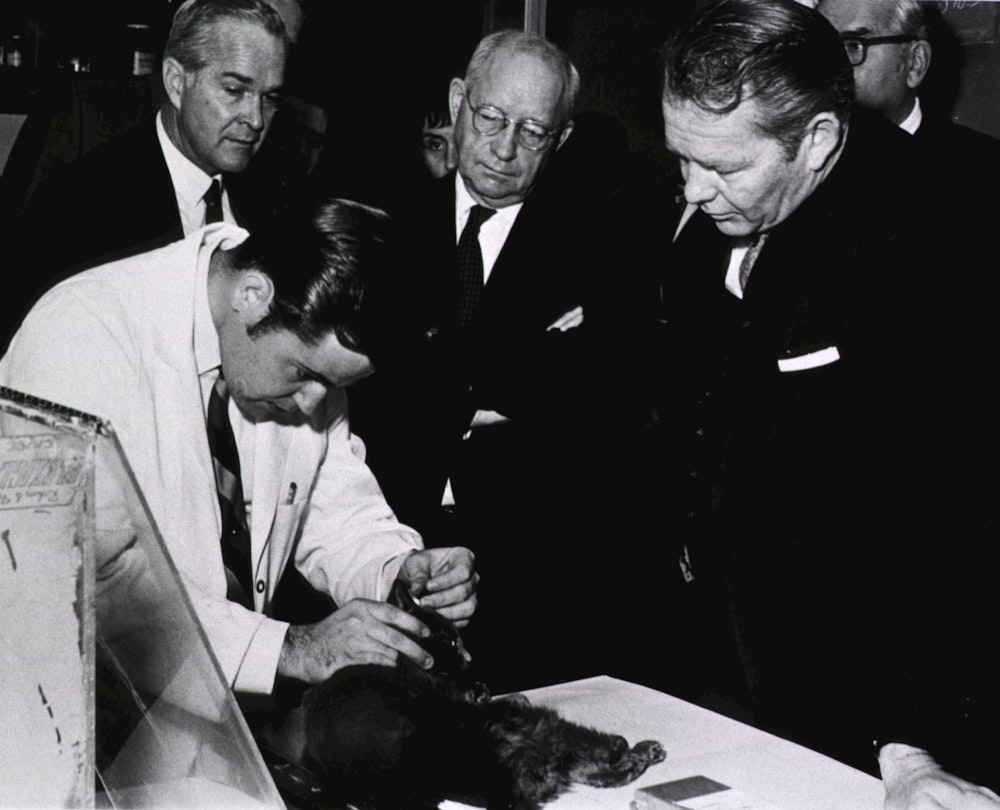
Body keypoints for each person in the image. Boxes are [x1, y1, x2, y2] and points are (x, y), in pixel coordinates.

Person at [652, 0, 998, 806]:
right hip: (740, 668)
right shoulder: (710, 220)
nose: (693, 193)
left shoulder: (935, 241)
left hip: (889, 704)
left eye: (725, 169)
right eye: (681, 159)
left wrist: (908, 747)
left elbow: (945, 520)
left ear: (816, 141)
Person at [0, 191, 479, 699]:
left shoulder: (298, 335)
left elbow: (332, 504)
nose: (314, 401)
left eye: (334, 386)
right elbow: (87, 586)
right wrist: (291, 648)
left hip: (202, 712)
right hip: (57, 706)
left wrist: (395, 571)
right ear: (252, 294)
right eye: (304, 373)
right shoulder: (80, 336)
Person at [349, 29, 657, 693]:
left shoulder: (608, 244)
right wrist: (509, 370)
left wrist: (435, 364)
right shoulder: (383, 230)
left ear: (562, 141)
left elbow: (597, 394)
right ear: (459, 101)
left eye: (533, 130)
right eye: (490, 118)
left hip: (537, 569)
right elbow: (373, 387)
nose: (506, 148)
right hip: (392, 547)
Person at [2, 0, 289, 352]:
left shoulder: (273, 203)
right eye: (234, 91)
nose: (256, 119)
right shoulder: (80, 202)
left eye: (270, 97)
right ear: (176, 83)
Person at [816, 0, 1000, 168]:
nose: (829, 66)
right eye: (821, 47)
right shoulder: (801, 162)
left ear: (915, 62)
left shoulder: (985, 168)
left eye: (854, 46)